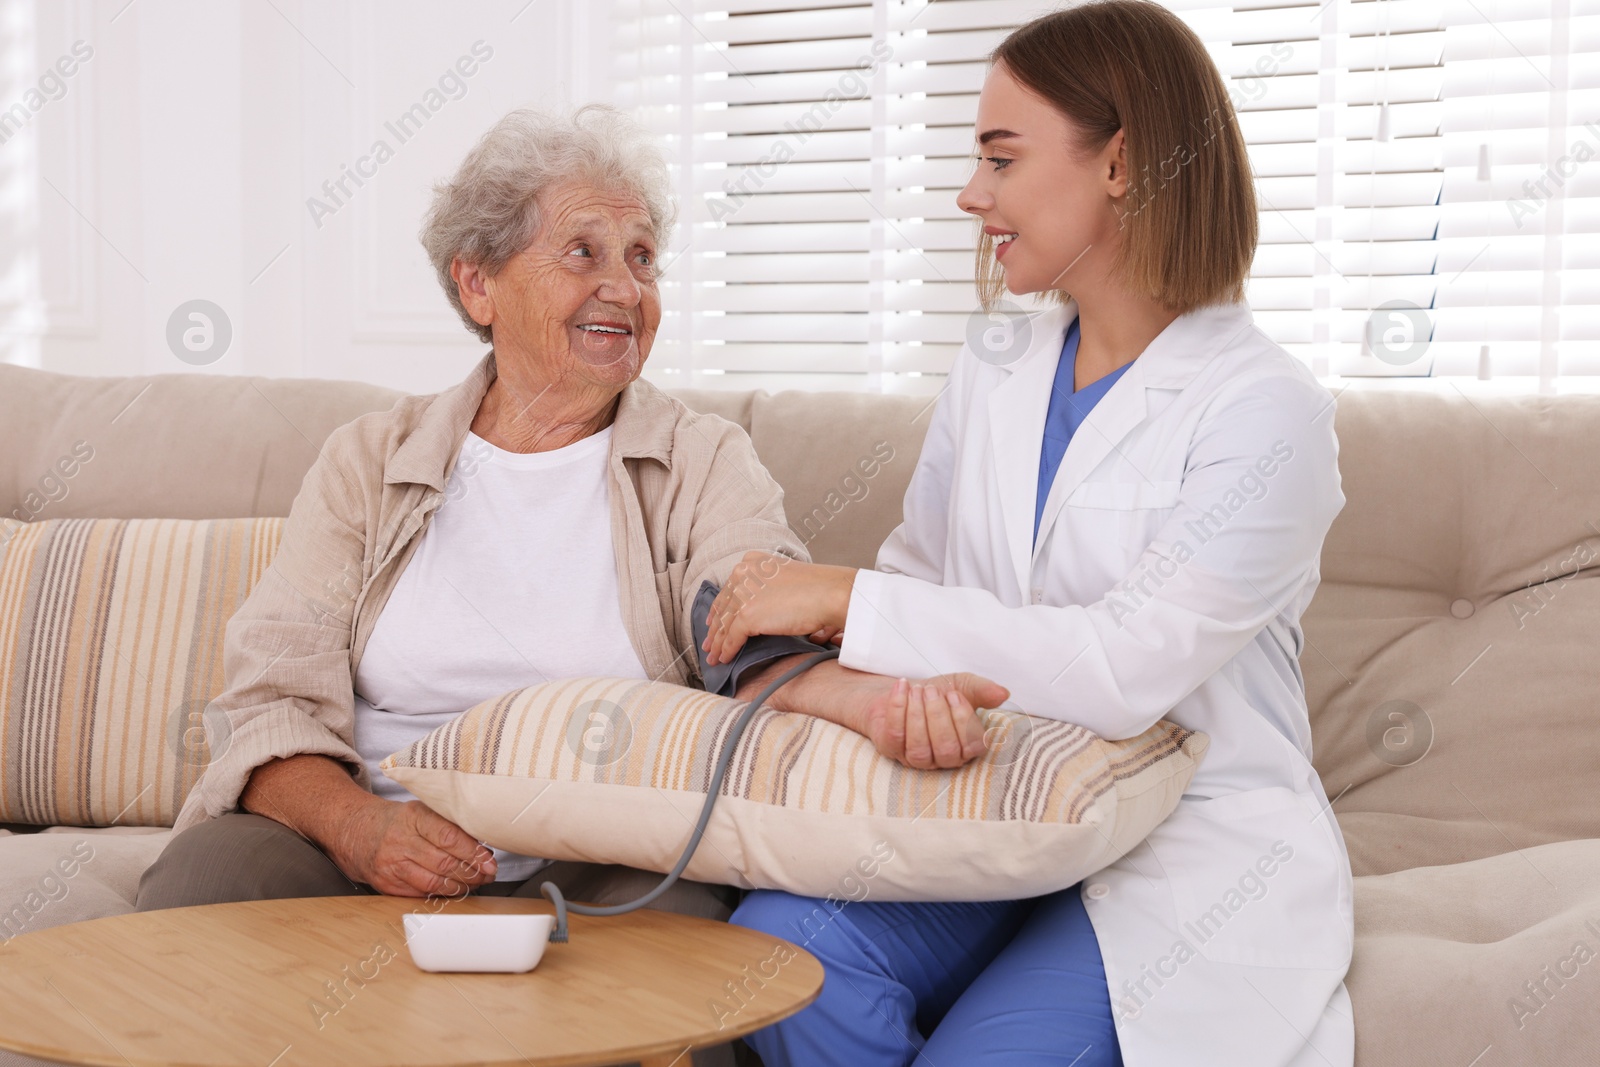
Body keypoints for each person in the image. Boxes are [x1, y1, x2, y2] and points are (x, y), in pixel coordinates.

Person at [137, 105, 1003, 924]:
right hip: (373, 840)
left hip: (598, 854)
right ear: (478, 284)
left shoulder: (702, 459)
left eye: (642, 257)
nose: (625, 290)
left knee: (689, 925)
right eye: (583, 253)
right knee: (208, 878)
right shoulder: (369, 462)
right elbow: (269, 700)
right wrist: (359, 830)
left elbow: (752, 614)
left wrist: (882, 699)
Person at [701, 3, 1356, 1065]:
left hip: (1177, 847)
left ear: (1120, 162)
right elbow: (929, 586)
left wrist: (841, 595)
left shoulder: (1264, 409)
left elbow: (1122, 666)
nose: (972, 195)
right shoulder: (996, 362)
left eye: (1000, 159)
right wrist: (902, 699)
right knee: (781, 964)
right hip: (988, 802)